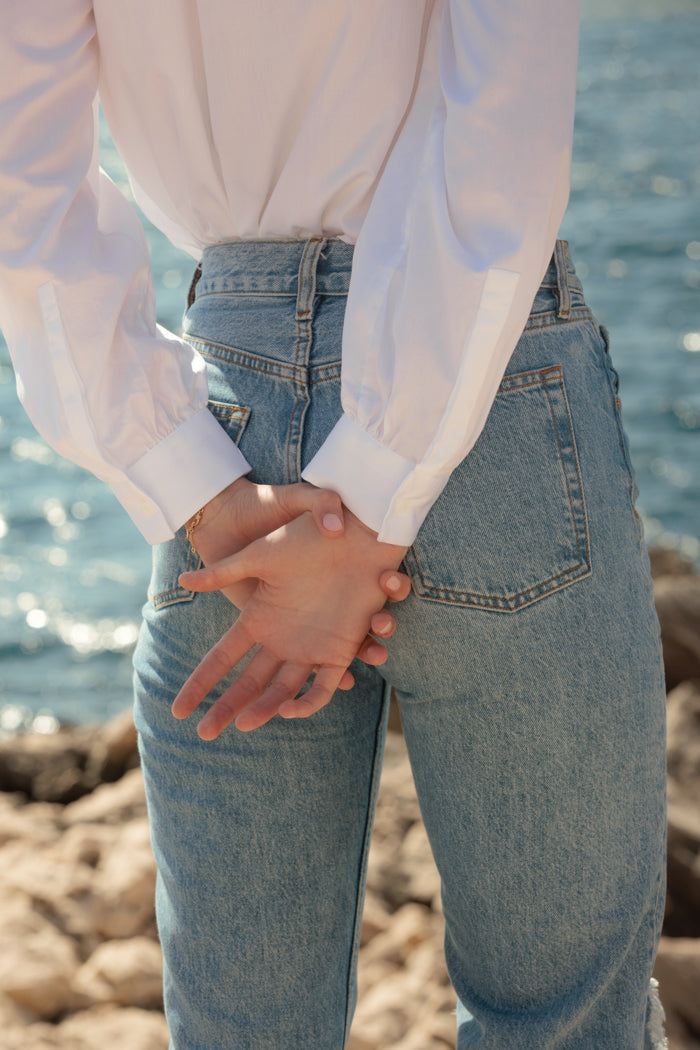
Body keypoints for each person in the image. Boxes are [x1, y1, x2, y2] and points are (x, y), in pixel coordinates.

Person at [0, 2, 668, 1048]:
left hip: (236, 439)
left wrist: (187, 478)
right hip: (491, 385)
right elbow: (504, 123)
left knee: (246, 1033)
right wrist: (376, 488)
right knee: (560, 1020)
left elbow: (22, 178)